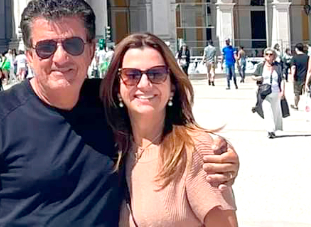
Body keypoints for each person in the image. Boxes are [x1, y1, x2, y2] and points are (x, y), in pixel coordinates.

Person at [0, 0, 239, 226]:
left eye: (73, 44)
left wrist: (219, 154)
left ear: (90, 50)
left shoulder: (112, 102)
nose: (60, 58)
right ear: (30, 56)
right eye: (47, 47)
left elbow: (163, 122)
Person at [102, 33, 237, 226]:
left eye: (156, 74)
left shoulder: (197, 151)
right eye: (131, 75)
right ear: (117, 88)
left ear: (172, 85)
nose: (144, 84)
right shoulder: (115, 151)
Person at [253, 48, 285, 139]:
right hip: (264, 92)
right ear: (264, 55)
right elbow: (253, 76)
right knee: (267, 111)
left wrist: (283, 91)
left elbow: (282, 79)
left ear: (274, 56)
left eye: (271, 54)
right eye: (267, 54)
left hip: (275, 91)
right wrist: (258, 78)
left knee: (275, 112)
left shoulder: (278, 66)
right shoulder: (260, 66)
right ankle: (270, 130)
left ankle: (273, 129)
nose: (269, 56)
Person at [289, 43, 309, 109]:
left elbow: (293, 68)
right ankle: (308, 105)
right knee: (307, 93)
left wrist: (292, 76)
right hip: (306, 77)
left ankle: (296, 105)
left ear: (296, 49)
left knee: (297, 93)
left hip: (297, 78)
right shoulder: (307, 57)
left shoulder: (294, 58)